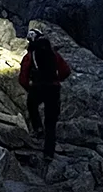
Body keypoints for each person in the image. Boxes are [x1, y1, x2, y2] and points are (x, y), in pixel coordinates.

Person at [18, 29, 72, 159]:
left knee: (31, 105)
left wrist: (29, 87)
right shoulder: (53, 53)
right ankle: (48, 153)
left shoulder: (31, 55)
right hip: (53, 89)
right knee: (51, 122)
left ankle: (37, 128)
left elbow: (23, 78)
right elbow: (65, 70)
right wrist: (56, 80)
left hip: (38, 87)